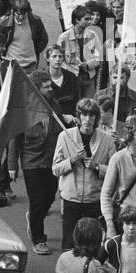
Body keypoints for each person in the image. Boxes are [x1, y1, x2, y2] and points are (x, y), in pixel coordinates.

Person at [10, 70, 65, 255]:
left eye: (51, 85)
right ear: (36, 90)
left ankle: (33, 217)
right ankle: (38, 238)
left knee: (49, 197)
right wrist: (12, 166)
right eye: (46, 86)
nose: (51, 89)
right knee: (37, 201)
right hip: (31, 161)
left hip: (51, 160)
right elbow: (14, 138)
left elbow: (60, 130)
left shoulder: (55, 106)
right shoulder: (24, 110)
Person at [53, 97, 115, 253]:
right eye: (84, 115)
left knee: (92, 245)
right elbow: (55, 169)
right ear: (79, 116)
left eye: (91, 116)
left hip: (93, 199)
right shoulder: (65, 136)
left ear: (96, 118)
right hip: (71, 198)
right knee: (69, 245)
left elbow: (115, 171)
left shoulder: (106, 139)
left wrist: (97, 167)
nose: (87, 120)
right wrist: (72, 160)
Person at [0, 0, 48, 72]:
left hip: (31, 64)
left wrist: (35, 51)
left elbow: (44, 39)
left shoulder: (36, 21)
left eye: (24, 14)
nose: (21, 17)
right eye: (18, 14)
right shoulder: (4, 23)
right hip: (11, 64)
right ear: (13, 11)